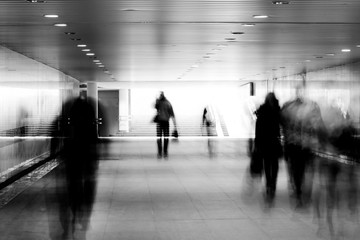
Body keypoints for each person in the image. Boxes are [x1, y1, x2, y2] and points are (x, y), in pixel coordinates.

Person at [255, 92, 282, 206]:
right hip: (274, 142)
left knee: (267, 165)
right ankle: (272, 185)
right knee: (274, 165)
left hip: (264, 143)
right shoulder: (277, 111)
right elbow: (280, 126)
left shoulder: (262, 111)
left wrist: (256, 144)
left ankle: (268, 186)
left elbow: (258, 129)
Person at [154, 91, 176, 159]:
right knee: (166, 138)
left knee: (159, 138)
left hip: (160, 122)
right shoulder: (168, 103)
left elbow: (155, 107)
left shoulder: (159, 102)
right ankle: (165, 153)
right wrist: (175, 126)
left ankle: (160, 153)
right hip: (166, 122)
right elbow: (172, 114)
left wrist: (156, 100)